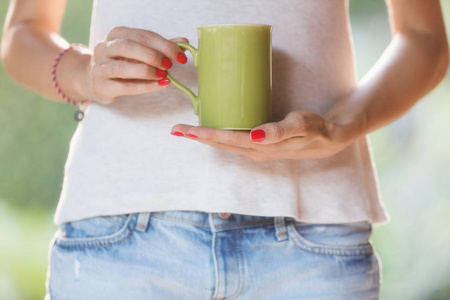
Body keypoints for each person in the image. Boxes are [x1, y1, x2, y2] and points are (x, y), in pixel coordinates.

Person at [1, 0, 448, 299]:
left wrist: (338, 125)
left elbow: (424, 38)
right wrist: (85, 72)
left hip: (313, 241)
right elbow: (21, 34)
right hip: (117, 242)